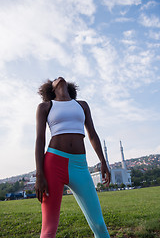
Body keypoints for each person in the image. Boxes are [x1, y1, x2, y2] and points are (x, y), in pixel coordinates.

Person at [35, 77, 111, 238]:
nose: (59, 78)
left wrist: (103, 162)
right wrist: (39, 174)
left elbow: (92, 135)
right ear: (51, 88)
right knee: (49, 228)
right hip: (53, 164)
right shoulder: (46, 107)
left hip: (80, 166)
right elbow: (40, 140)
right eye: (55, 79)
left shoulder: (82, 105)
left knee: (98, 223)